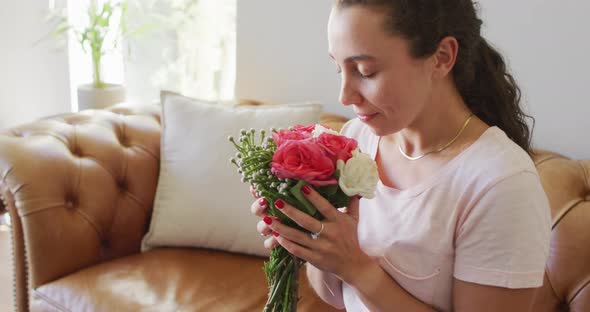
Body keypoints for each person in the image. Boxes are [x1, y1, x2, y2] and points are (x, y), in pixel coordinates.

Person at [250, 0, 551, 311]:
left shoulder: (501, 184)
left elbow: (355, 274)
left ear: (442, 58)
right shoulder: (355, 140)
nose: (344, 96)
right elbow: (339, 297)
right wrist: (310, 240)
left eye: (365, 71)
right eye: (339, 69)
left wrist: (358, 267)